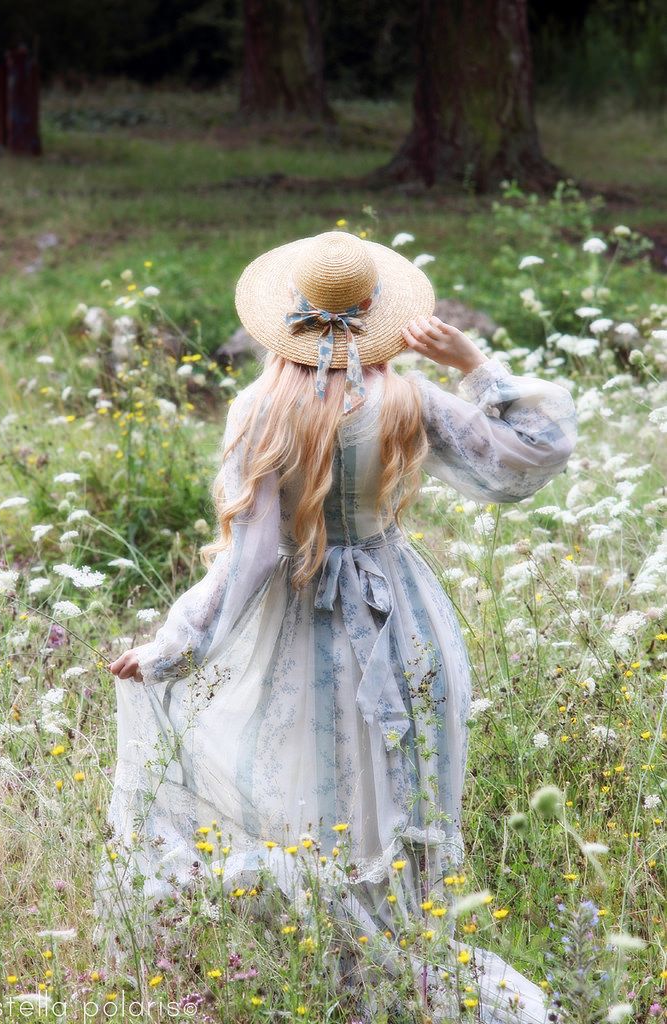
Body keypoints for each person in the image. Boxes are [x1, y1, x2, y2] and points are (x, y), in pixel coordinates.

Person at [94, 230, 576, 1022]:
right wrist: (472, 364)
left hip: (303, 621)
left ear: (288, 317)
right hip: (404, 619)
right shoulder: (408, 398)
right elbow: (534, 453)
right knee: (400, 795)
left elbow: (248, 561)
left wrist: (173, 648)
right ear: (375, 318)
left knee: (308, 795)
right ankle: (414, 960)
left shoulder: (259, 408)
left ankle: (346, 975)